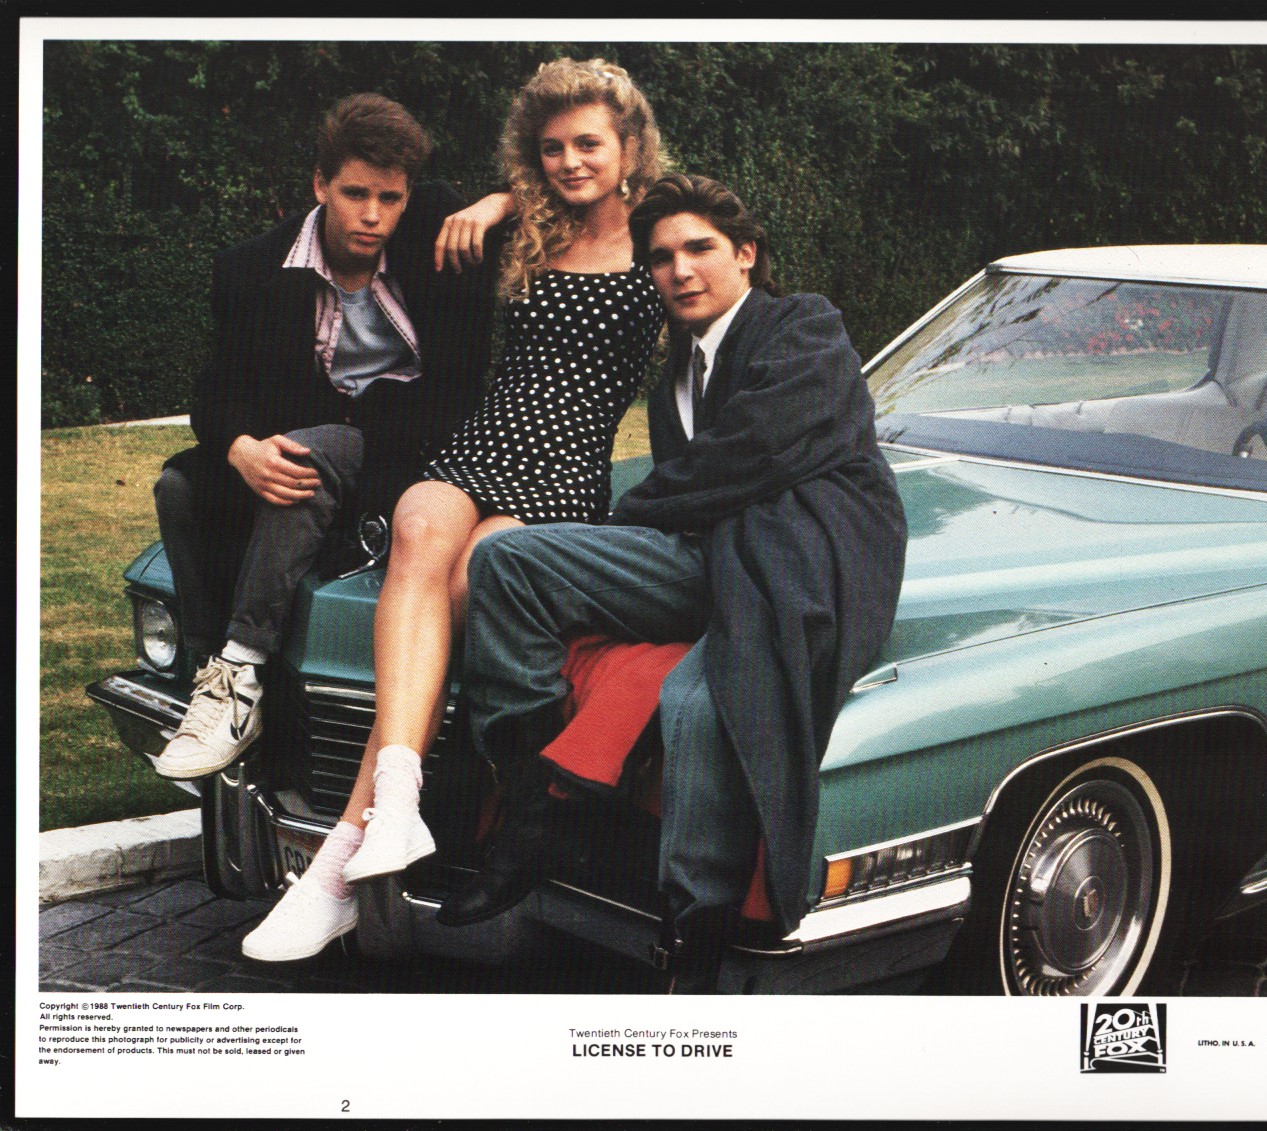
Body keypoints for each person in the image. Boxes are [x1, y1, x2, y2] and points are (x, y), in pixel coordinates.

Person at [240, 59, 668, 962]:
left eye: (588, 144)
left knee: (474, 576)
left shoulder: (663, 241)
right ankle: (397, 805)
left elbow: (725, 277)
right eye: (550, 148)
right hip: (483, 442)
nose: (569, 162)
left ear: (629, 147)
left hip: (562, 468)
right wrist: (498, 201)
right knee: (418, 522)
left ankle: (341, 855)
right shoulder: (531, 225)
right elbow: (410, 197)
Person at [438, 174, 909, 994]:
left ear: (745, 254)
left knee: (704, 695)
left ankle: (695, 926)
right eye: (660, 257)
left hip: (799, 560)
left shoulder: (805, 326)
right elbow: (696, 497)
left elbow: (753, 451)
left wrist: (630, 517)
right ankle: (539, 800)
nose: (680, 270)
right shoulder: (673, 382)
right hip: (706, 553)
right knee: (505, 561)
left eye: (699, 248)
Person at [153, 92, 493, 784]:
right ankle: (208, 675)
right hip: (309, 438)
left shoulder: (434, 231)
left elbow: (557, 190)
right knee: (180, 484)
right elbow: (215, 390)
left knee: (309, 452)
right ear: (320, 184)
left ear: (409, 196)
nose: (373, 216)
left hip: (413, 445)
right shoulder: (253, 268)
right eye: (355, 194)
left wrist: (496, 205)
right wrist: (242, 448)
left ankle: (242, 669)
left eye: (390, 199)